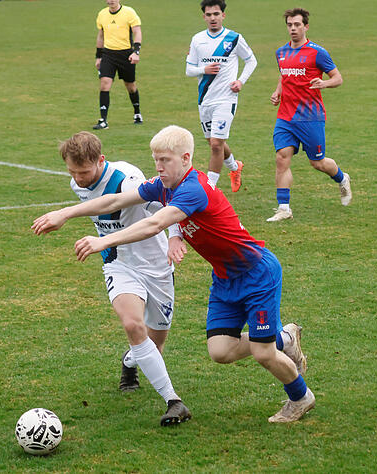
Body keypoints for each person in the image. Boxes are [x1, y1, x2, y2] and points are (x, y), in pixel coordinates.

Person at [32, 125, 313, 423]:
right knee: (220, 351)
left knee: (262, 353)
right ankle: (285, 339)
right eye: (156, 159)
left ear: (185, 158)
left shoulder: (193, 188)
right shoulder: (163, 186)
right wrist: (64, 214)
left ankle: (300, 397)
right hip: (225, 278)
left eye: (165, 160)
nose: (158, 167)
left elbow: (155, 224)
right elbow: (115, 201)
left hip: (257, 274)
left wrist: (104, 240)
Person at [31, 131, 191, 426]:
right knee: (132, 324)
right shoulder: (77, 183)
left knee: (153, 345)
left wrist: (175, 237)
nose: (78, 179)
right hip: (118, 262)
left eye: (84, 172)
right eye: (72, 172)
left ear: (101, 160)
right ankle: (174, 401)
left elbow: (165, 208)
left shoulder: (127, 178)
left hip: (156, 266)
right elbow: (100, 207)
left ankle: (129, 361)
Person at [267, 8, 352, 222]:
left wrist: (324, 83)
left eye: (297, 24)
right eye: (289, 25)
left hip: (310, 117)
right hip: (285, 116)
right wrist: (278, 91)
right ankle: (284, 208)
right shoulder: (281, 52)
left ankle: (342, 179)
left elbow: (338, 78)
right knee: (281, 158)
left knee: (318, 162)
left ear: (306, 26)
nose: (293, 29)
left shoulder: (317, 52)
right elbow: (284, 75)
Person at [185, 0, 257, 193]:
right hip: (205, 100)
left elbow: (251, 61)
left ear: (223, 15)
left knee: (216, 144)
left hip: (226, 99)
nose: (213, 18)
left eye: (216, 14)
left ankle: (209, 190)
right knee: (214, 142)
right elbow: (189, 70)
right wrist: (204, 69)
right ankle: (235, 167)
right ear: (204, 17)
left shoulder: (233, 38)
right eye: (209, 15)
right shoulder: (198, 39)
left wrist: (240, 81)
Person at [93, 0, 143, 129]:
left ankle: (137, 112)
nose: (111, 1)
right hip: (108, 54)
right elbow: (101, 35)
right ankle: (103, 120)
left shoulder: (129, 12)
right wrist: (98, 56)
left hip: (126, 55)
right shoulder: (102, 14)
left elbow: (137, 32)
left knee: (130, 86)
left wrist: (136, 52)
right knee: (104, 84)